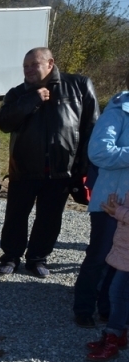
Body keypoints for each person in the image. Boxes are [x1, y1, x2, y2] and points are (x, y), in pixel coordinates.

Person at [0, 47, 97, 278]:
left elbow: (91, 126)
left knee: (50, 218)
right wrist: (33, 98)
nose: (29, 69)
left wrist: (82, 168)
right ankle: (11, 256)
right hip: (23, 168)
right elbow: (4, 123)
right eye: (25, 65)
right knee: (16, 216)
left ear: (50, 63)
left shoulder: (79, 85)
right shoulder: (17, 93)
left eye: (34, 64)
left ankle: (37, 258)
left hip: (61, 170)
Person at [74, 73, 129, 328]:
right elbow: (98, 152)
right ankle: (84, 307)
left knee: (123, 260)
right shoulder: (118, 111)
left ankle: (108, 308)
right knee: (100, 257)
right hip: (111, 200)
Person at [85, 192, 129, 361]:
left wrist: (119, 211)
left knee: (117, 294)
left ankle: (112, 338)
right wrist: (116, 209)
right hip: (125, 250)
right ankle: (120, 335)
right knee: (122, 295)